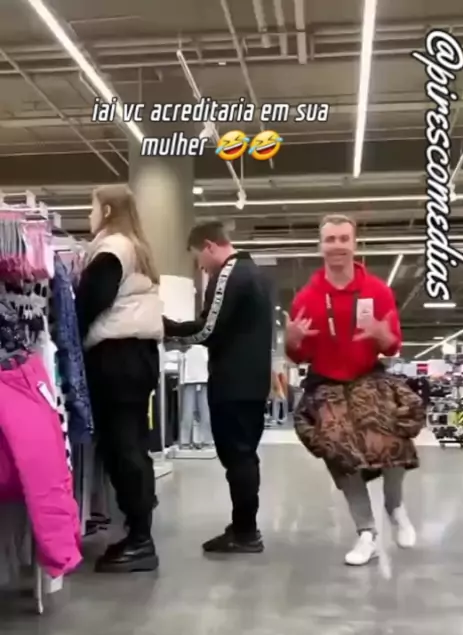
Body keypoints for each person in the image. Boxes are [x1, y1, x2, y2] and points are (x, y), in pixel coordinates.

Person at [285, 214, 425, 566]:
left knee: (394, 429)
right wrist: (292, 341)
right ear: (321, 245)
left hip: (368, 374)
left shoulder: (377, 291)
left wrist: (382, 335)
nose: (337, 245)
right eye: (330, 239)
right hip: (325, 380)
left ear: (354, 243)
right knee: (336, 448)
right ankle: (367, 533)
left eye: (343, 239)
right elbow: (297, 355)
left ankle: (395, 507)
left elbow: (392, 346)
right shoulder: (307, 297)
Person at [163, 220, 273, 554]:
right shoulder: (253, 273)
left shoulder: (230, 273)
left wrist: (168, 329)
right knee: (244, 455)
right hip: (251, 380)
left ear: (210, 246)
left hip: (234, 380)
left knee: (237, 457)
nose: (200, 265)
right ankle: (243, 526)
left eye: (199, 256)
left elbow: (208, 329)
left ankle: (246, 532)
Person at [76, 184, 164, 573]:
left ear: (108, 210)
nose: (89, 215)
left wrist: (67, 341)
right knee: (130, 446)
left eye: (92, 207)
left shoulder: (112, 249)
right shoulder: (136, 248)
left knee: (123, 448)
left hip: (116, 357)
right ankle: (138, 533)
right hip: (136, 357)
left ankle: (141, 540)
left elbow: (88, 303)